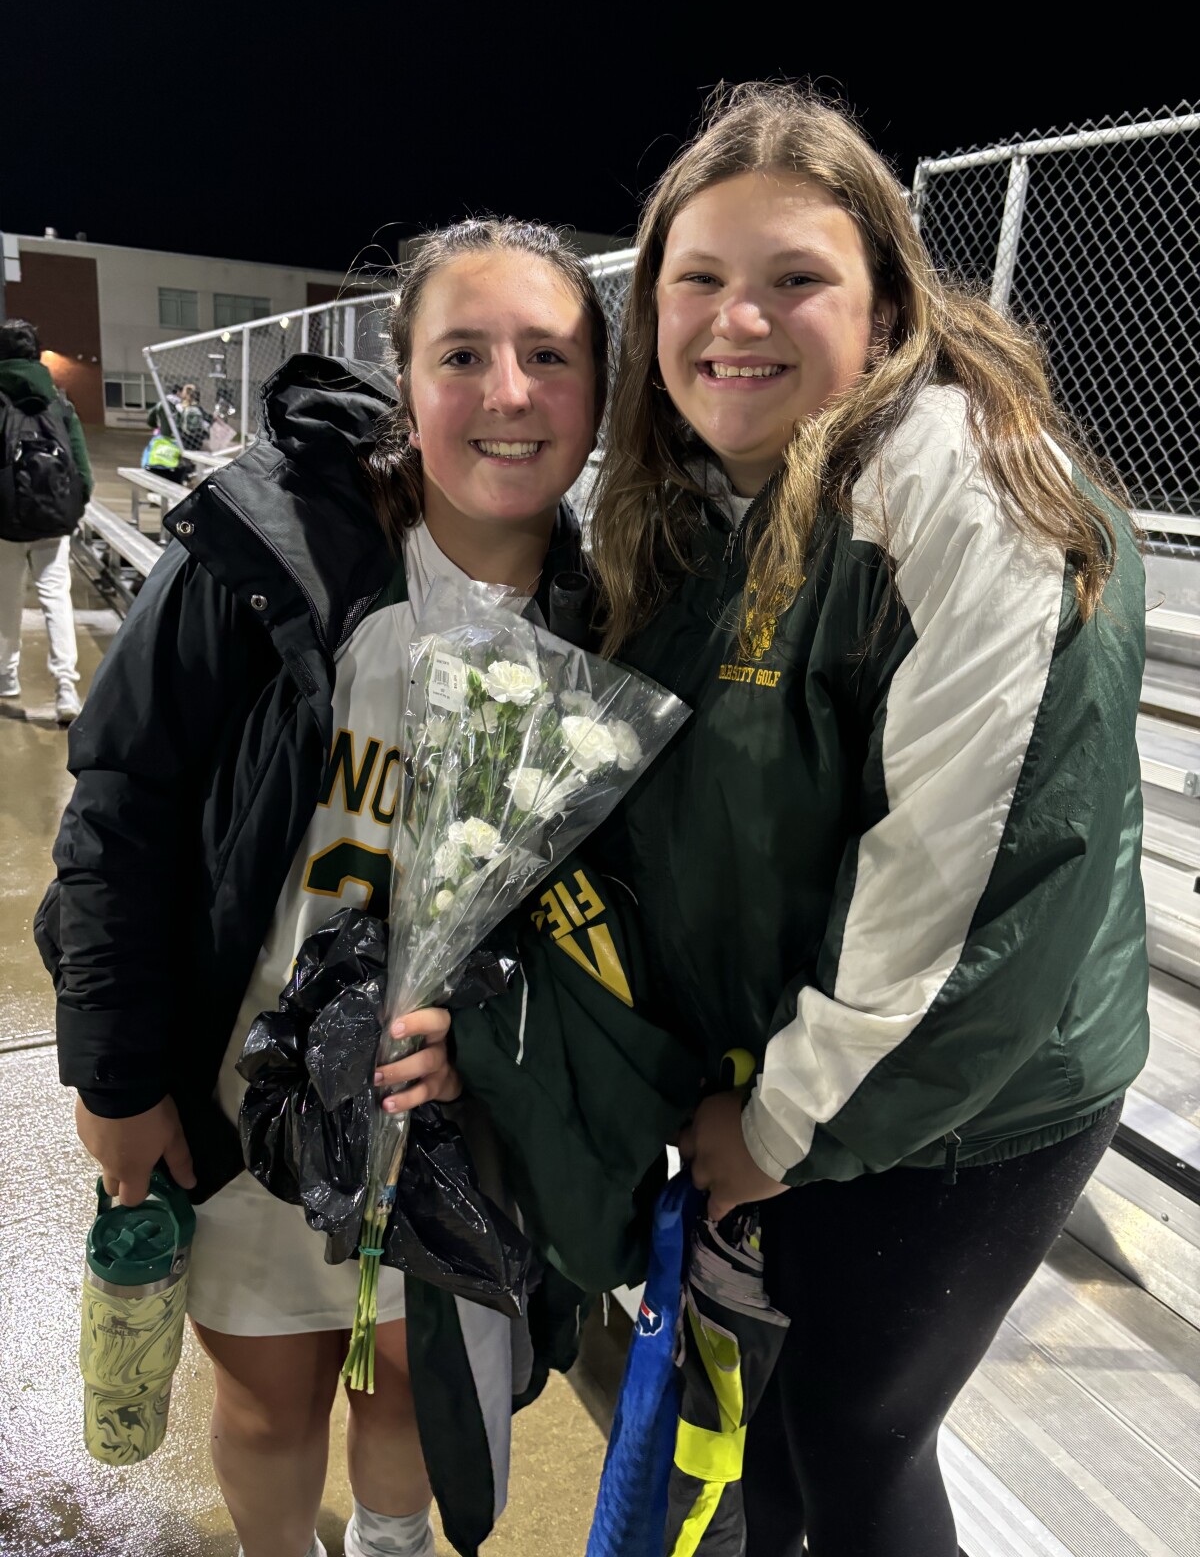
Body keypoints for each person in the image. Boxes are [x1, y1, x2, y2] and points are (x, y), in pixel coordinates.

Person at [579, 85, 1147, 1556]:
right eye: (698, 279)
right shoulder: (702, 491)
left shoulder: (956, 486)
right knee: (775, 1431)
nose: (737, 319)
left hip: (957, 1100)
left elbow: (959, 895)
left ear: (886, 305)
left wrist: (777, 1123)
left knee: (851, 1438)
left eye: (795, 279)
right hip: (809, 1075)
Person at [41, 219, 608, 1557]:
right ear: (404, 377)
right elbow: (120, 808)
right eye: (462, 353)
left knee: (409, 1376)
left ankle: (390, 1546)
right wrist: (117, 1080)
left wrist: (505, 1057)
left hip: (443, 1106)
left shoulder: (600, 609)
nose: (509, 391)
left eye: (549, 355)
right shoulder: (269, 545)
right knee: (270, 1386)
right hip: (243, 1086)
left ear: (597, 392)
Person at [0, 318, 93, 723]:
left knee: (6, 601)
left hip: (5, 521)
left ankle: (6, 678)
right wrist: (73, 505)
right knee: (56, 599)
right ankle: (65, 690)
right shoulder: (58, 400)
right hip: (53, 518)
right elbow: (82, 467)